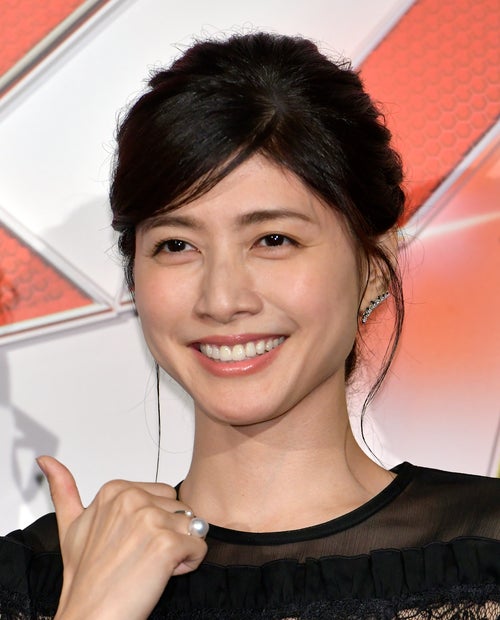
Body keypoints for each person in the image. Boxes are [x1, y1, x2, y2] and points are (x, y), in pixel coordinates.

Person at [0, 32, 498, 620]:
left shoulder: (483, 554)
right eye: (177, 245)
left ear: (371, 268)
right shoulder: (36, 580)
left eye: (273, 239)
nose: (222, 299)